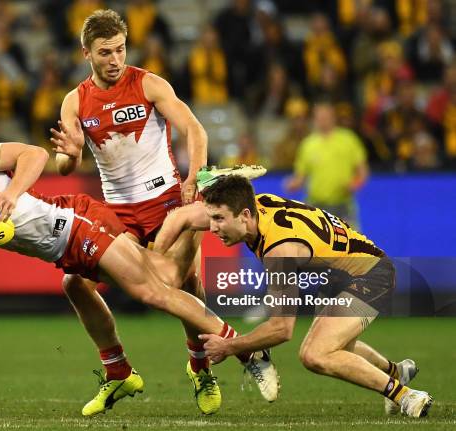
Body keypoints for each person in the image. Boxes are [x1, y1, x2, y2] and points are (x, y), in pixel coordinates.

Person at [0, 127, 273, 414]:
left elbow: (33, 154)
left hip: (72, 222)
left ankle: (245, 348)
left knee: (158, 288)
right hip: (60, 250)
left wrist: (11, 193)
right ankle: (119, 371)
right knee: (80, 286)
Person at [50, 9, 278, 416]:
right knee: (73, 283)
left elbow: (196, 129)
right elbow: (68, 165)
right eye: (105, 52)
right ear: (86, 52)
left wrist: (197, 175)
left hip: (168, 202)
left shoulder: (148, 84)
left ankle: (201, 367)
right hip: (117, 212)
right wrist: (68, 156)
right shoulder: (75, 101)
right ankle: (118, 370)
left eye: (121, 49)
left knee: (183, 283)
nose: (116, 59)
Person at [155, 174, 434, 419]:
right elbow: (181, 217)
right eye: (212, 218)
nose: (213, 228)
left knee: (315, 354)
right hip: (343, 273)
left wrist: (231, 346)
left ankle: (406, 396)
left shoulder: (280, 251)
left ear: (244, 217)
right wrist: (157, 262)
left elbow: (281, 329)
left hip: (372, 276)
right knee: (331, 344)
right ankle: (395, 372)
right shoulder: (253, 204)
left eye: (219, 219)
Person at [285, 100, 368, 228]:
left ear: (333, 117)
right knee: (313, 244)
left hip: (343, 204)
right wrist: (293, 184)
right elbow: (300, 177)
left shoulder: (348, 140)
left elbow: (362, 171)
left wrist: (354, 184)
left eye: (325, 117)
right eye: (319, 118)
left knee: (350, 244)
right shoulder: (308, 144)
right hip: (315, 206)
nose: (322, 121)